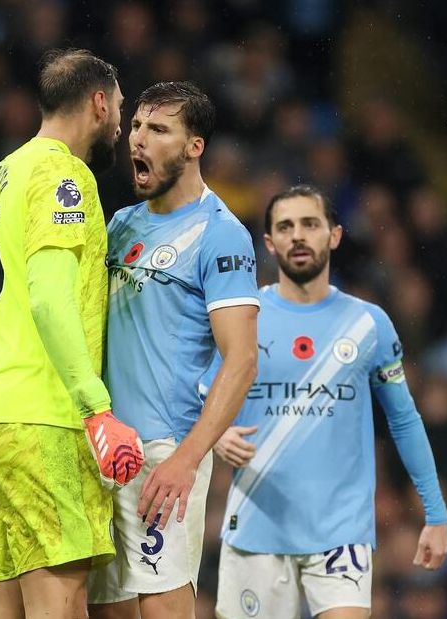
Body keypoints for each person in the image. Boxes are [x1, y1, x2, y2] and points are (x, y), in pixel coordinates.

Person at [0, 49, 144, 619]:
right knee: (58, 605)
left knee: (3, 610)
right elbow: (47, 296)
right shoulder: (64, 174)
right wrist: (95, 406)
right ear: (97, 102)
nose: (120, 121)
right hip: (42, 421)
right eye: (119, 108)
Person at [208, 185, 447, 619]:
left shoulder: (368, 324)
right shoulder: (246, 318)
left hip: (341, 532)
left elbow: (405, 421)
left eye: (310, 224)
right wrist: (218, 434)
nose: (297, 236)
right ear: (269, 243)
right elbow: (204, 392)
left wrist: (435, 513)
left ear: (334, 235)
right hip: (257, 525)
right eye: (285, 227)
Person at [87, 81, 259, 619]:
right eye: (136, 126)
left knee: (160, 604)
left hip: (163, 449)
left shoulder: (220, 233)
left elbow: (243, 358)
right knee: (108, 607)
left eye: (158, 129)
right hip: (102, 445)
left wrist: (187, 459)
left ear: (194, 146)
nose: (138, 139)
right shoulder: (120, 225)